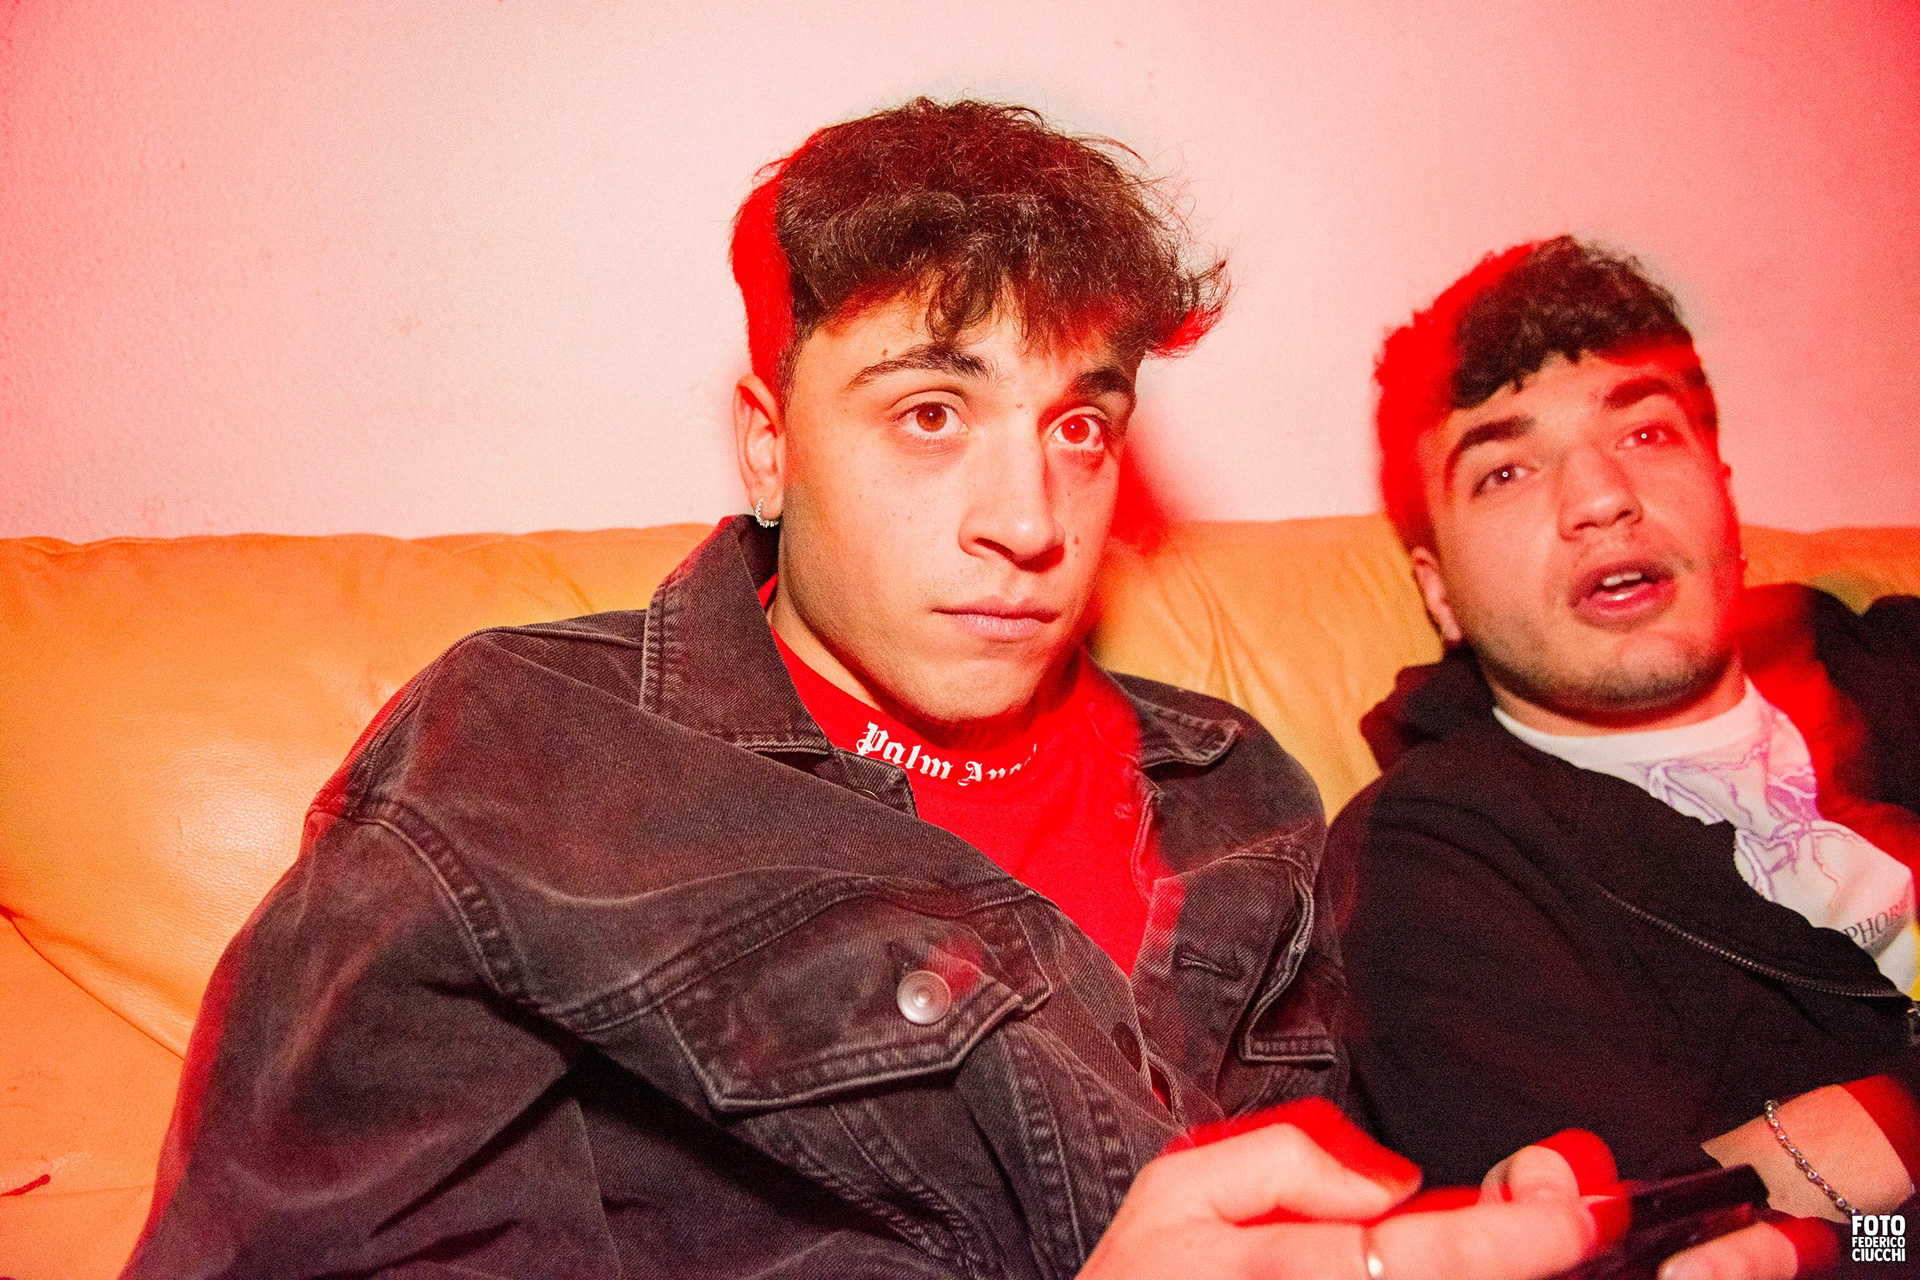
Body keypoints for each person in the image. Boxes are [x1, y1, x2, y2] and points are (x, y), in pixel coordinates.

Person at [125, 107, 1790, 1279]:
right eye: (931, 413)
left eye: (1080, 425)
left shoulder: (1241, 788)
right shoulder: (521, 761)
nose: (1031, 518)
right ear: (769, 445)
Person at [1334, 235, 1920, 1239]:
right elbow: (1663, 1249)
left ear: (1723, 488)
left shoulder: (1890, 663)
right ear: (1439, 595)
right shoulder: (1436, 868)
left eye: (1646, 433)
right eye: (1506, 470)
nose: (1602, 499)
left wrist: (1878, 1131)